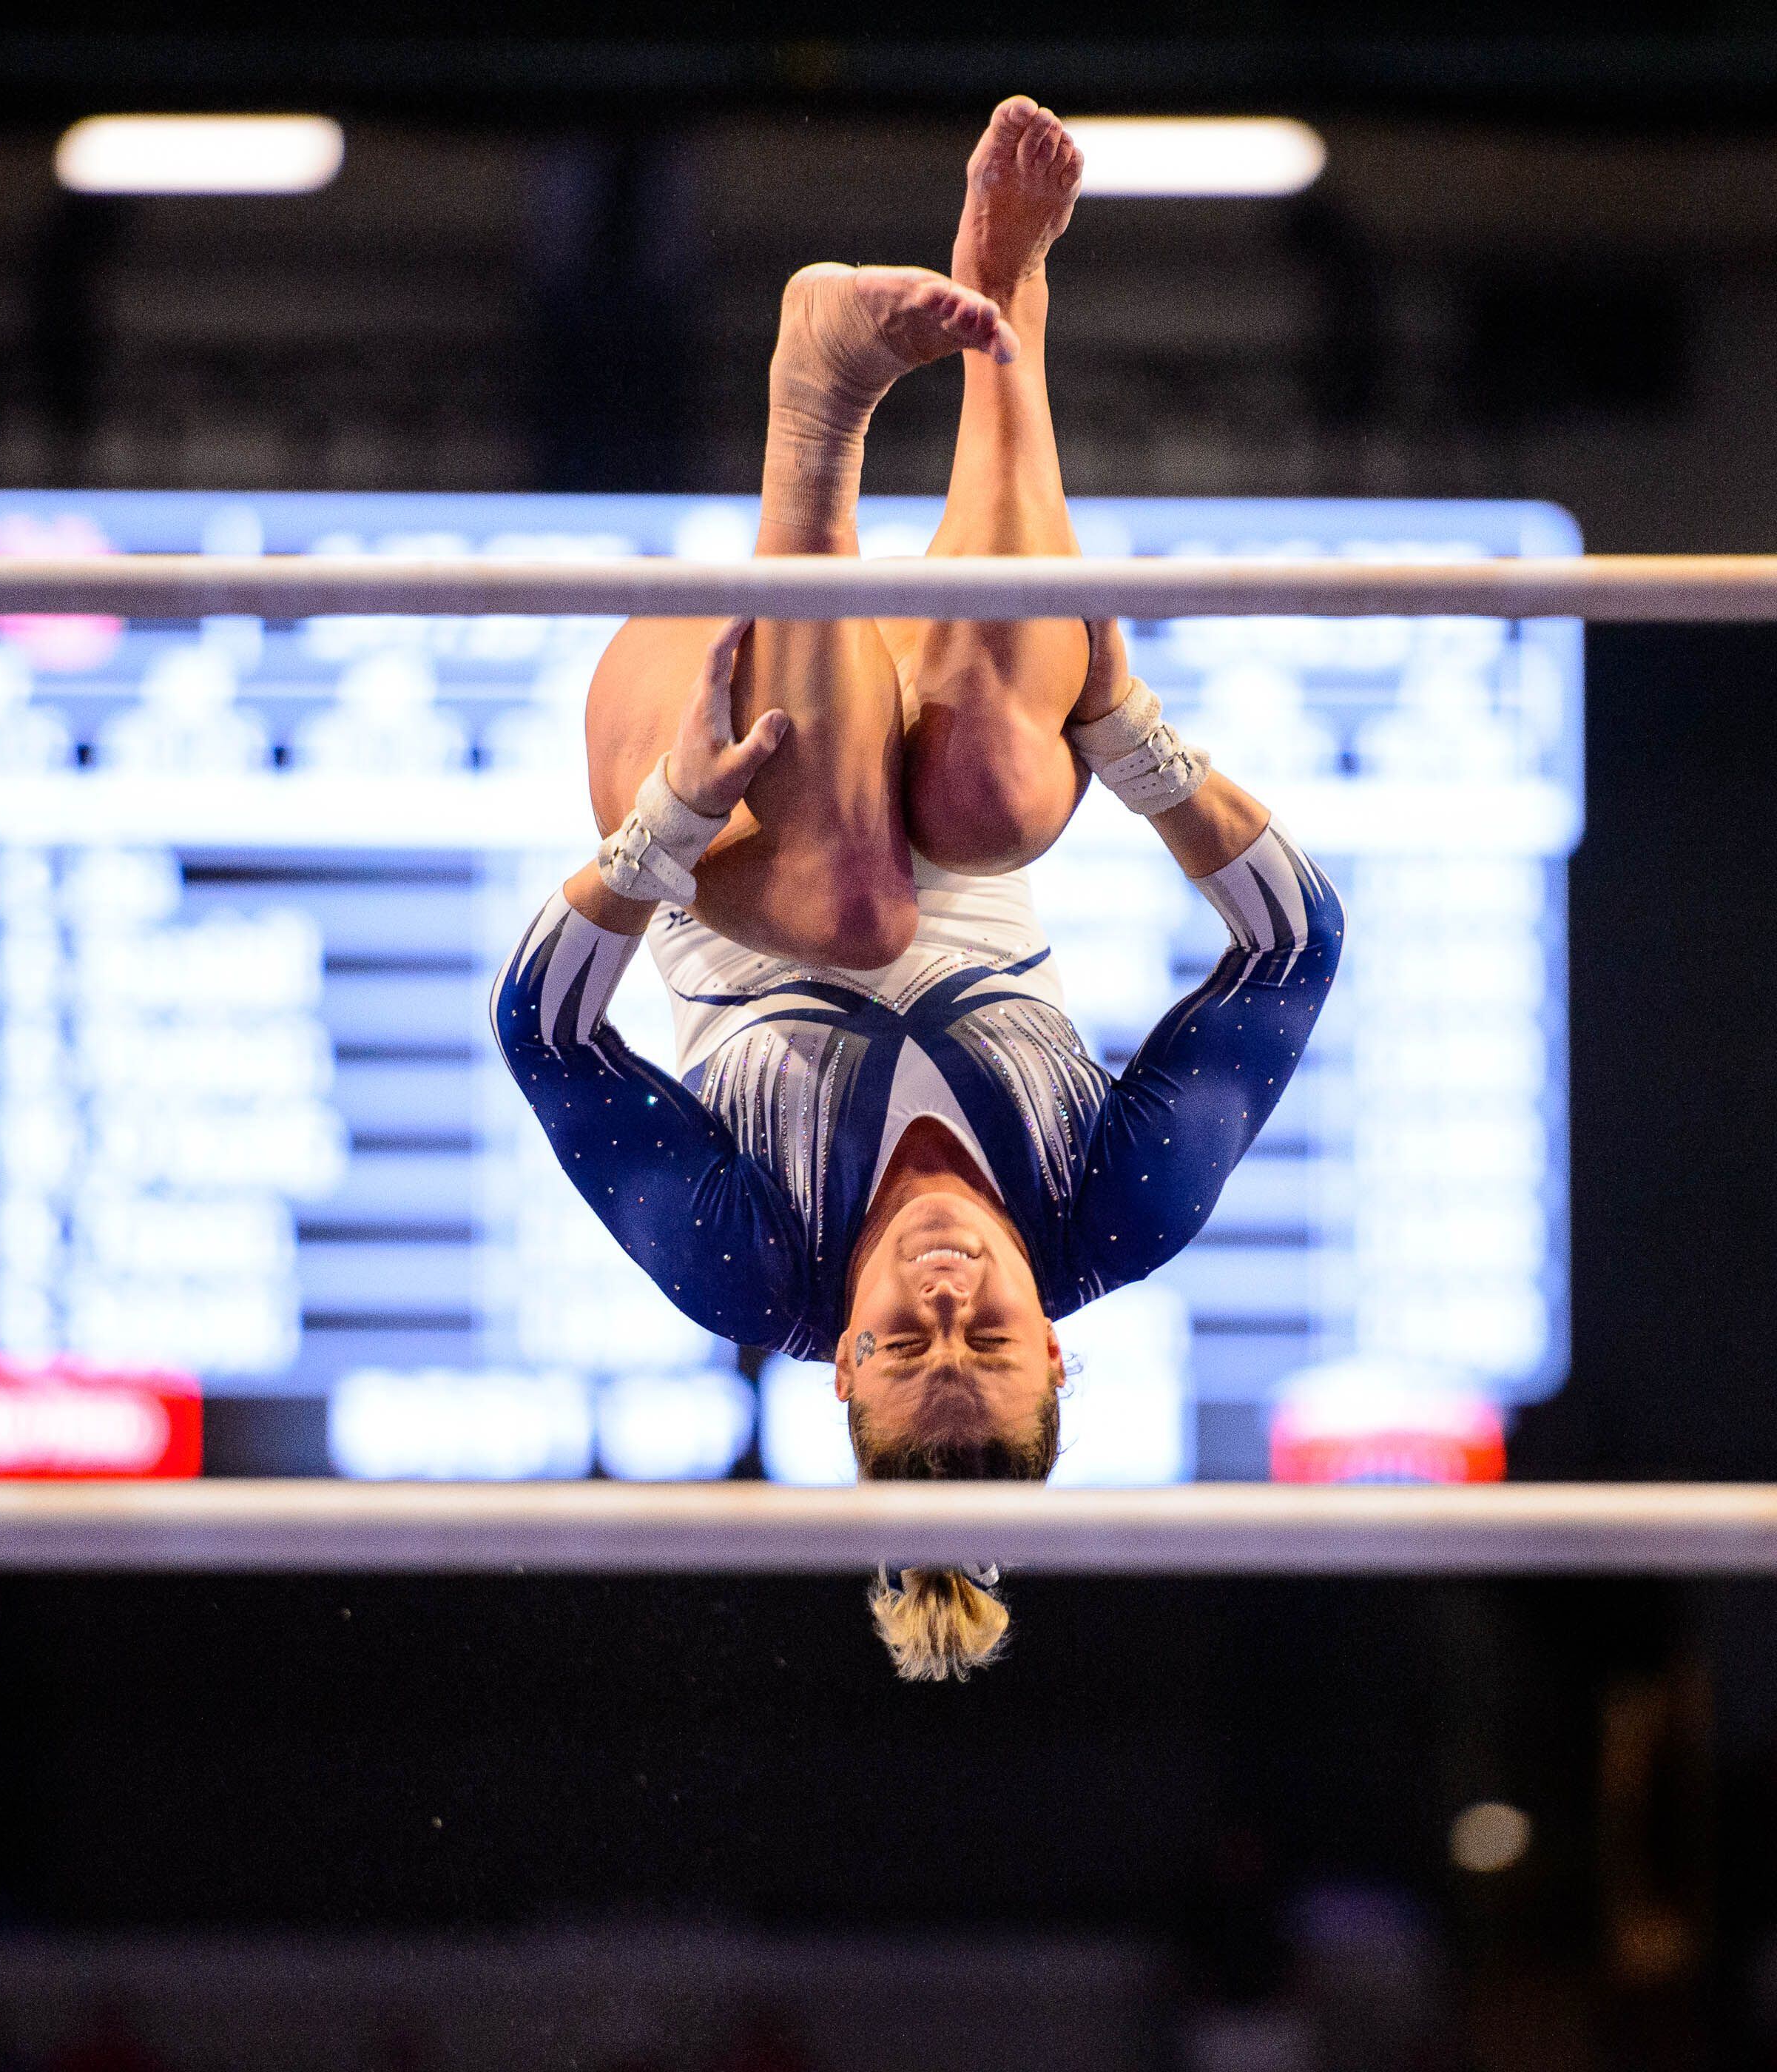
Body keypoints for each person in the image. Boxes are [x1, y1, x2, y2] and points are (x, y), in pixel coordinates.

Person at [491, 98, 1346, 1679]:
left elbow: (547, 1041)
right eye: (991, 1337)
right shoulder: (1114, 1203)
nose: (946, 1297)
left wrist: (661, 830)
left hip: (710, 718)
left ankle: (813, 415)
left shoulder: (746, 1264)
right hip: (940, 717)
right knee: (1001, 799)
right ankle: (1000, 313)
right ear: (1058, 1356)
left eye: (899, 1342)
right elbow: (1291, 951)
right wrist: (1132, 737)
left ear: (836, 1376)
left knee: (863, 905)